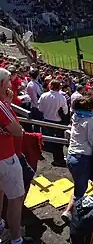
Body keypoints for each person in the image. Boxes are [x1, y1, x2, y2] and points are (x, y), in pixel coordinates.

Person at [61, 96, 93, 223]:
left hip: (71, 156)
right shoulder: (91, 120)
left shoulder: (76, 116)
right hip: (81, 158)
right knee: (80, 191)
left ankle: (68, 211)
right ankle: (73, 215)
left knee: (78, 187)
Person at [0, 75, 26, 244]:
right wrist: (7, 104)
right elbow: (18, 131)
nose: (11, 84)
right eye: (8, 81)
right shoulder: (1, 106)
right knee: (16, 198)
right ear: (2, 84)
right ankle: (16, 240)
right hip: (5, 158)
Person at [37, 79, 69, 166]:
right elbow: (65, 111)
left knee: (47, 138)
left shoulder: (44, 95)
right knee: (58, 142)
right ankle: (58, 159)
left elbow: (40, 109)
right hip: (57, 122)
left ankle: (49, 155)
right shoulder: (61, 97)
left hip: (46, 120)